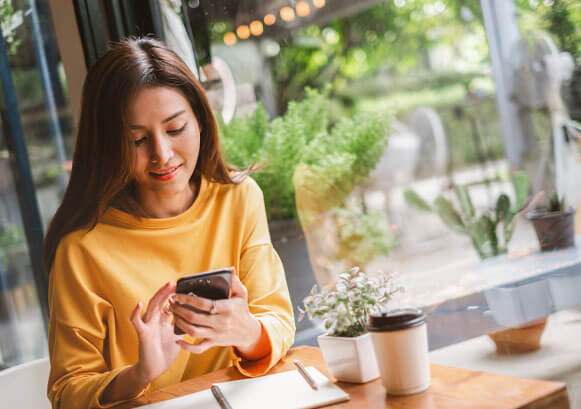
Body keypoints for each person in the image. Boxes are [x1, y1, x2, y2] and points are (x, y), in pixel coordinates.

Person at [43, 37, 295, 409]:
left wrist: (247, 331)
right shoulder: (82, 248)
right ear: (108, 145)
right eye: (138, 140)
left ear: (200, 120)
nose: (162, 154)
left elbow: (277, 318)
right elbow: (67, 392)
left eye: (175, 129)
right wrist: (140, 373)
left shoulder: (238, 199)